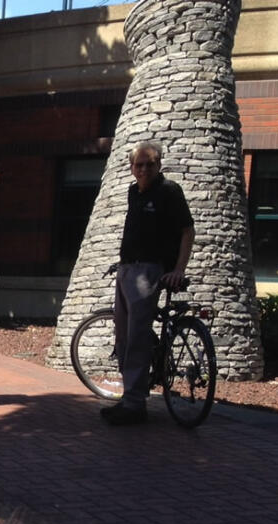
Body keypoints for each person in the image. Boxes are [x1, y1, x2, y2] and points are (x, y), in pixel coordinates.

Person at [101, 141, 195, 426]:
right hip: (128, 269)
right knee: (124, 338)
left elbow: (187, 231)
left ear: (159, 165)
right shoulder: (134, 192)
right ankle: (131, 394)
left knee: (137, 338)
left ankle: (134, 405)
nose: (143, 169)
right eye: (138, 165)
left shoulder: (168, 191)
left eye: (149, 164)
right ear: (131, 168)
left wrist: (178, 268)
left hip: (150, 271)